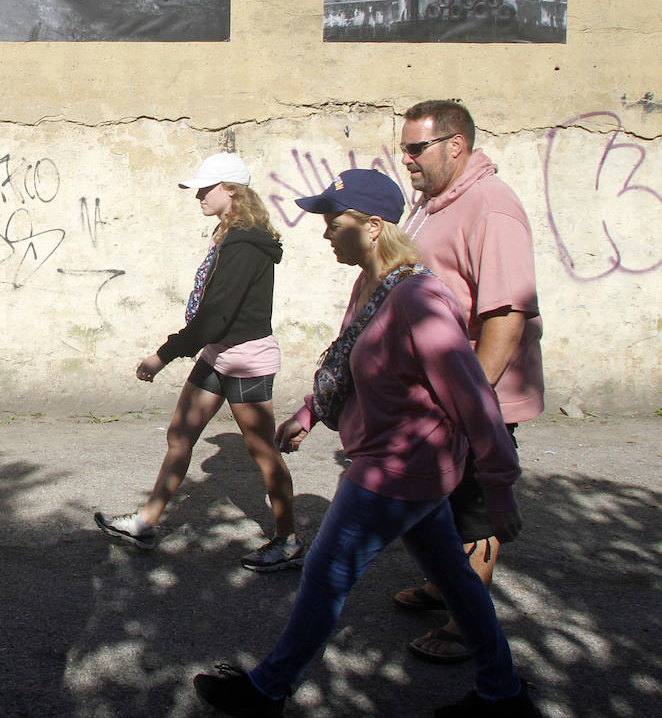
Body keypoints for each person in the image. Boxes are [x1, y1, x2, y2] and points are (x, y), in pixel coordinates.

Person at [194, 169, 540, 718]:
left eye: (335, 223)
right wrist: (312, 410)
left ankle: (267, 689)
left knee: (326, 573)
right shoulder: (373, 286)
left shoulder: (420, 300)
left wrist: (499, 489)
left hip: (399, 469)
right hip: (404, 466)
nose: (326, 233)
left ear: (374, 226)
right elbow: (350, 357)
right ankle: (504, 693)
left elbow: (474, 398)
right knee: (454, 576)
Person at [95, 152, 300, 571]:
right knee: (180, 433)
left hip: (245, 359)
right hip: (218, 352)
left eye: (205, 189)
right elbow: (213, 318)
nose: (199, 196)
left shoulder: (244, 243)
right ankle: (145, 523)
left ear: (231, 190)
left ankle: (288, 542)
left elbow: (216, 316)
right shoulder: (229, 235)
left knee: (262, 450)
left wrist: (162, 355)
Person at [395, 100, 545, 664]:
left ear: (455, 144)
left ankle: (467, 620)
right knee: (446, 491)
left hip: (479, 390)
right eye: (404, 147)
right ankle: (445, 585)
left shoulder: (492, 206)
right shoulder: (433, 204)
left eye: (416, 148)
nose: (406, 158)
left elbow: (505, 315)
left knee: (475, 503)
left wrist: (472, 399)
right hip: (439, 388)